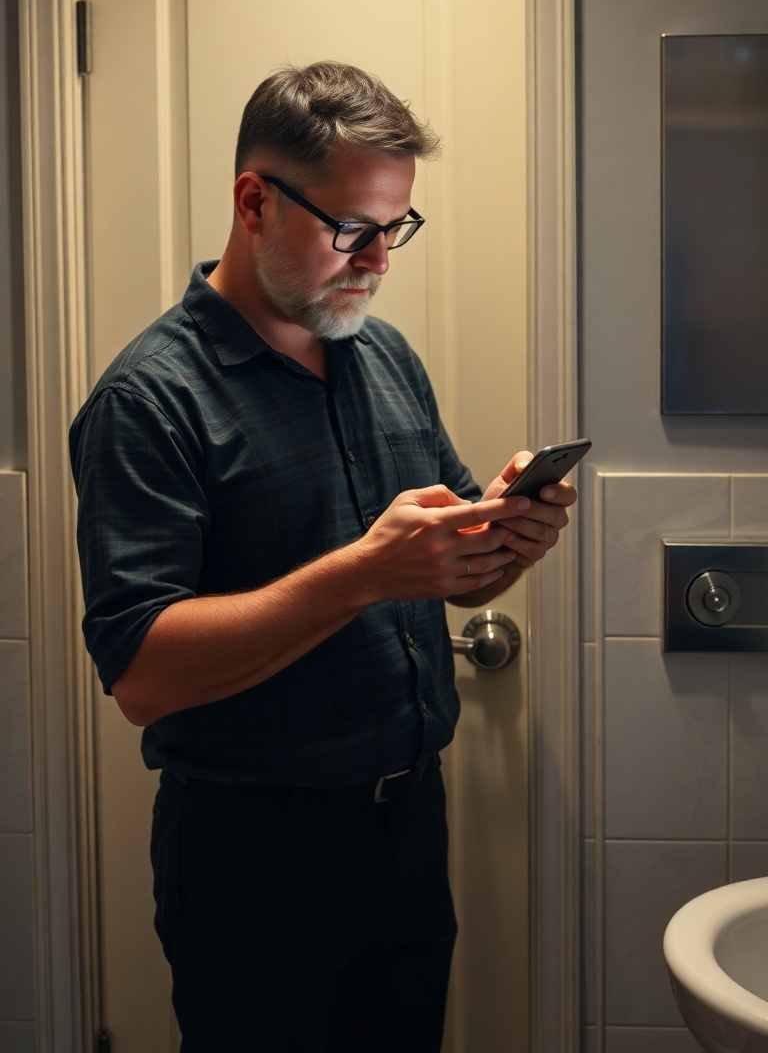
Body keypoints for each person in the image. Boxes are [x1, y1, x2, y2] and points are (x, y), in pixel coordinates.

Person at [70, 61, 576, 1053]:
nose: (380, 257)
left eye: (399, 227)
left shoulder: (383, 356)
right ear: (252, 201)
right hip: (254, 856)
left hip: (406, 828)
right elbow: (139, 673)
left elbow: (437, 564)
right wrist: (364, 572)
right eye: (352, 227)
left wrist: (506, 544)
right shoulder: (148, 401)